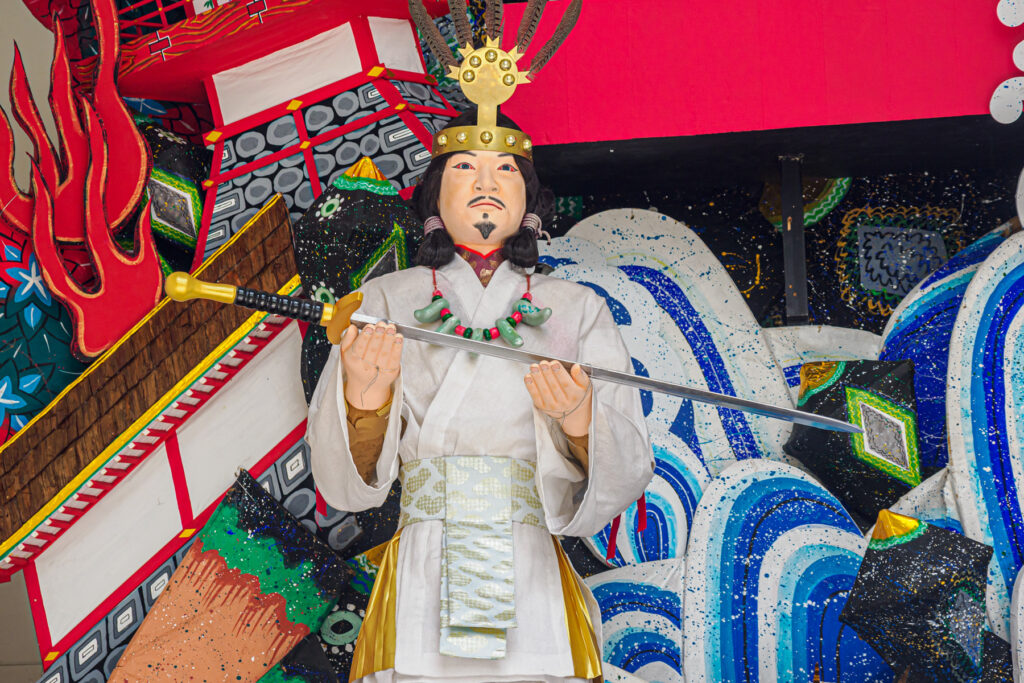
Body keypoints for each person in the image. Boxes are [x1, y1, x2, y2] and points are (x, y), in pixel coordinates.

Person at [307, 110, 653, 682]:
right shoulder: (384, 300)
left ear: (530, 202)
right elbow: (346, 483)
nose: (486, 184)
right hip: (426, 555)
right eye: (465, 166)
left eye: (505, 171)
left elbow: (627, 469)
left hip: (529, 561)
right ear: (435, 197)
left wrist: (578, 417)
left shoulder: (576, 307)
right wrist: (363, 402)